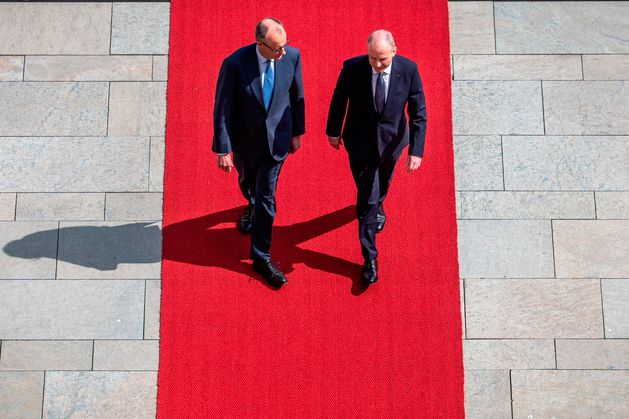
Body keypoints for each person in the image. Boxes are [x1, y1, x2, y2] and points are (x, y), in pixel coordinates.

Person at [326, 30, 427, 284]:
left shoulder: (409, 70)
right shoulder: (352, 68)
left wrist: (416, 150)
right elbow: (339, 100)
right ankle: (370, 257)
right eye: (373, 58)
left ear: (394, 51)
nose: (378, 65)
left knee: (383, 182)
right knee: (367, 199)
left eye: (383, 59)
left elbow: (418, 111)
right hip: (360, 144)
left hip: (393, 143)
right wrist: (333, 131)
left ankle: (379, 203)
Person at [213, 17, 305, 287]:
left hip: (277, 142)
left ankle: (261, 256)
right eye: (277, 48)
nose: (283, 52)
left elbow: (297, 95)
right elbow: (222, 107)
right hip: (246, 142)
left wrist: (297, 133)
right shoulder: (235, 64)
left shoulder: (292, 57)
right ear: (260, 44)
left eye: (285, 45)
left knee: (267, 197)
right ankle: (250, 204)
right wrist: (223, 148)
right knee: (247, 182)